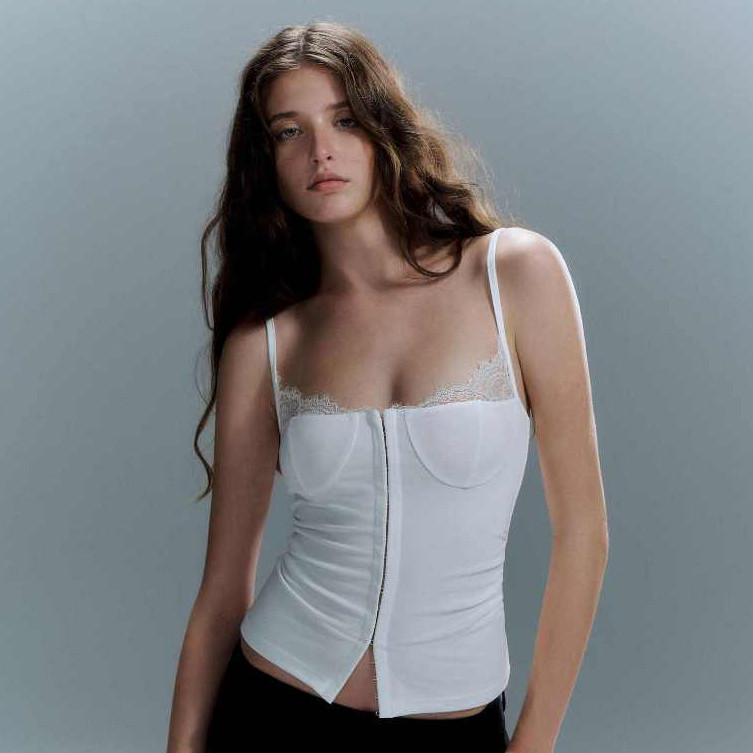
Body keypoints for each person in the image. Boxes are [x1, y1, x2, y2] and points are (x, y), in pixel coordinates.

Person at [166, 20, 609, 753]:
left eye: (343, 119)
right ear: (264, 161)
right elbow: (221, 592)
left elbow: (584, 534)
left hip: (455, 725)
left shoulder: (514, 275)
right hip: (272, 707)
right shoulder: (267, 340)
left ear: (381, 128)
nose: (321, 150)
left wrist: (533, 742)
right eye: (288, 132)